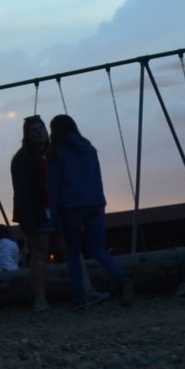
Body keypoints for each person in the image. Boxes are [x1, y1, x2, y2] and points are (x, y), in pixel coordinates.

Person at [48, 113, 131, 308]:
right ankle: (121, 277)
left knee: (74, 252)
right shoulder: (89, 148)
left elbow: (53, 186)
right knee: (98, 249)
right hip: (95, 203)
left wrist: (55, 215)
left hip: (71, 207)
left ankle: (80, 296)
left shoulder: (56, 152)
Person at [8, 114, 57, 314]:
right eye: (34, 130)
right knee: (39, 254)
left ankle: (83, 290)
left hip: (56, 209)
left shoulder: (52, 153)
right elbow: (22, 192)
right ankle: (40, 298)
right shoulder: (22, 158)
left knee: (68, 249)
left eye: (41, 128)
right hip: (37, 212)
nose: (39, 132)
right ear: (27, 135)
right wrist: (29, 218)